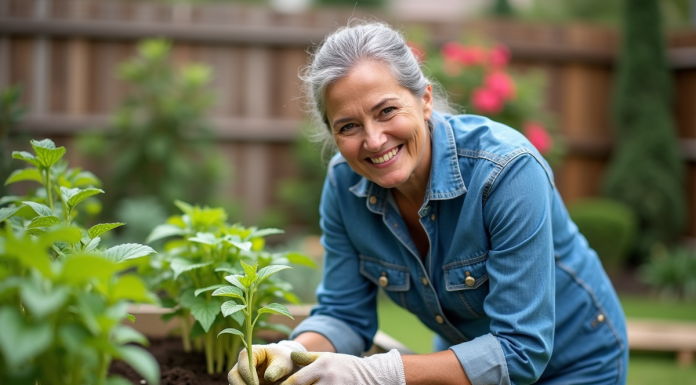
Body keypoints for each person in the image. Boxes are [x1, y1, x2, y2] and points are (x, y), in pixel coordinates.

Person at [229, 20, 628, 385]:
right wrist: (294, 352)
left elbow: (521, 350)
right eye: (348, 126)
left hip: (577, 363)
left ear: (425, 100)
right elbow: (344, 312)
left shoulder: (506, 172)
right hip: (468, 360)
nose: (374, 140)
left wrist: (376, 373)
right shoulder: (343, 184)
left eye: (386, 111)